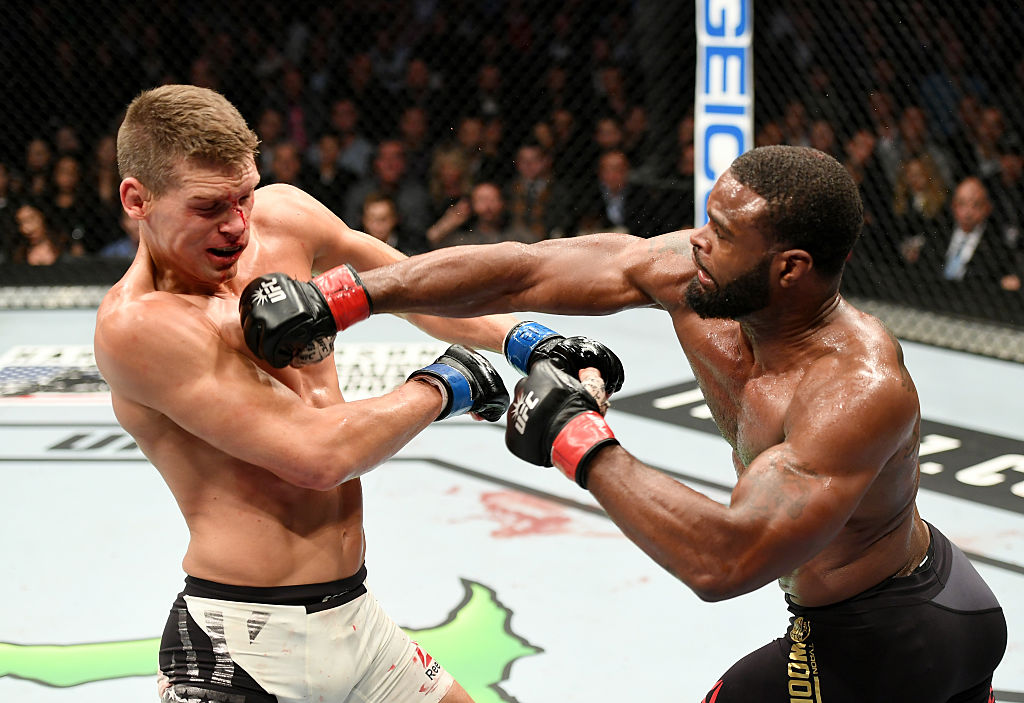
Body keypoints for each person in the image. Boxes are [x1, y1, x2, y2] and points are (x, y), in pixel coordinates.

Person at [243, 145, 1008, 701]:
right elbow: (527, 268)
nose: (698, 240)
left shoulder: (856, 388)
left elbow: (728, 558)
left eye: (724, 233)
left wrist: (579, 440)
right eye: (707, 220)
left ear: (790, 268)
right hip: (885, 606)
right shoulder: (698, 276)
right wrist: (348, 296)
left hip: (891, 636)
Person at [93, 83, 528, 703]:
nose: (238, 225)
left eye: (244, 195)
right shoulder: (139, 326)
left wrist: (528, 341)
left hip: (357, 619)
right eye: (209, 207)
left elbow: (411, 286)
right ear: (137, 199)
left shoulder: (285, 219)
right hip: (243, 649)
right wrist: (445, 383)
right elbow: (316, 458)